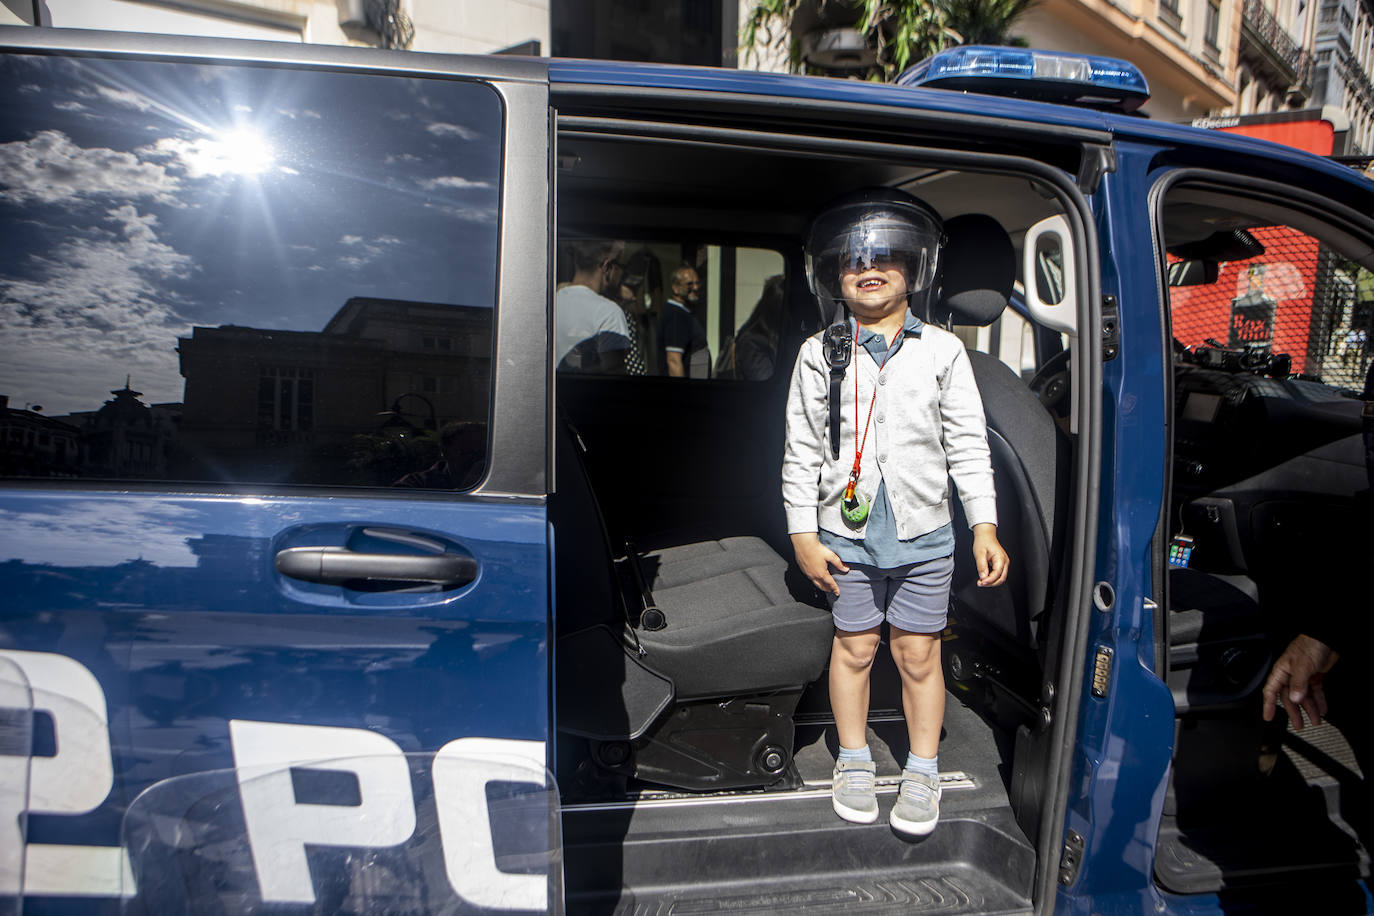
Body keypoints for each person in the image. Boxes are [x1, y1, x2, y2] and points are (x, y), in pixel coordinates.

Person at [782, 188, 1009, 837]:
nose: (869, 267)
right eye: (854, 260)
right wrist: (802, 531)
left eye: (885, 256)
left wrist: (984, 525)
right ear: (833, 274)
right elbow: (800, 448)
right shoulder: (819, 354)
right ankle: (852, 759)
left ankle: (923, 767)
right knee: (854, 648)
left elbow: (967, 443)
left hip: (926, 538)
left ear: (914, 268)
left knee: (917, 655)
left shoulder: (942, 351)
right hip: (846, 539)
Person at [555, 239, 631, 373]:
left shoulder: (550, 303)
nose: (622, 274)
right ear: (607, 267)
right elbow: (613, 376)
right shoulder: (609, 312)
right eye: (621, 266)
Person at [393, 420, 486, 489]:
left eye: (482, 453)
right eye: (467, 452)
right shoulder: (416, 483)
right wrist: (467, 488)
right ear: (446, 452)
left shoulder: (492, 481)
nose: (475, 459)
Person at [660, 265, 710, 378]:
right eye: (689, 284)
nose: (696, 287)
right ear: (675, 288)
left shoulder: (683, 313)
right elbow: (673, 360)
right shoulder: (676, 315)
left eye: (698, 283)